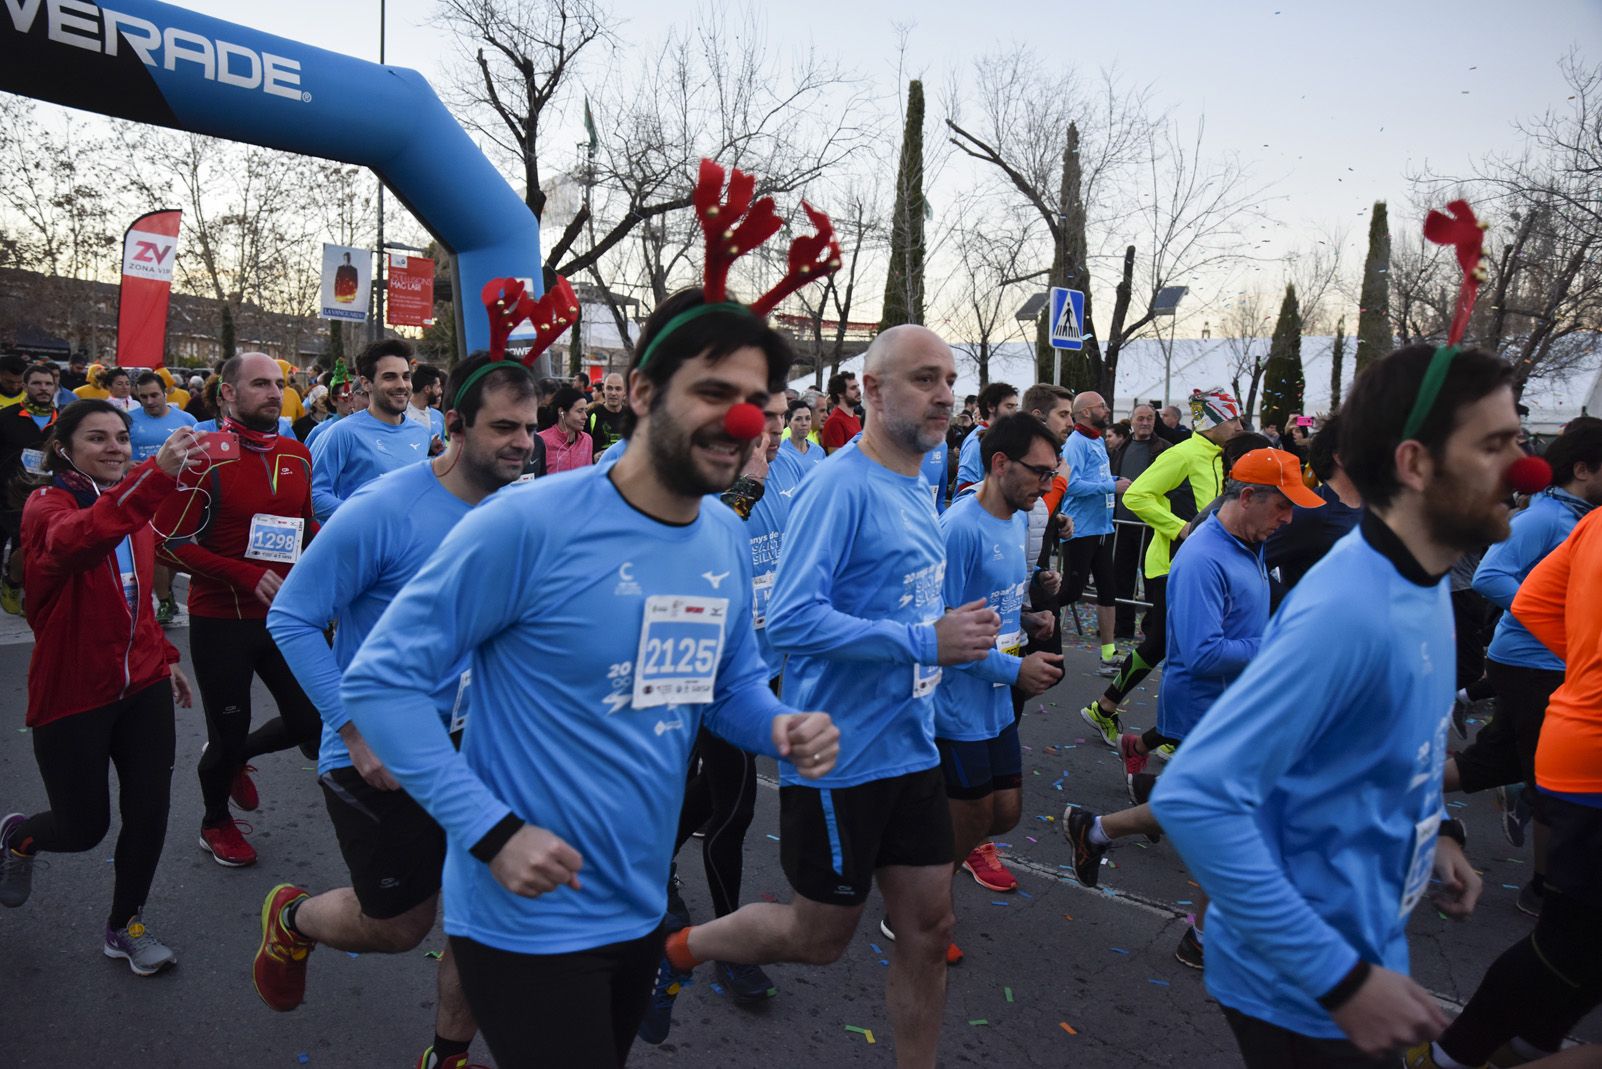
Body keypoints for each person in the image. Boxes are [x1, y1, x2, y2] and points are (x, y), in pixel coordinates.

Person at [337, 290, 839, 1068]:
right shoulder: (527, 523)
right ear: (641, 391)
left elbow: (728, 685)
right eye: (713, 392)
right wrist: (492, 831)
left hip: (634, 906)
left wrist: (778, 725)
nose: (742, 422)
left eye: (755, 401)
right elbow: (380, 684)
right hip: (522, 912)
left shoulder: (725, 537)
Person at [1152, 343, 1520, 1067]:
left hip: (1364, 953)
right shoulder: (1348, 608)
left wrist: (1438, 828)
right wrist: (1341, 979)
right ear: (1415, 464)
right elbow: (1196, 798)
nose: (1524, 468)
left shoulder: (1424, 586)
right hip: (1301, 988)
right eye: (1495, 445)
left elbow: (1391, 743)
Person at [661, 324, 999, 1069]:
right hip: (841, 752)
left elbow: (912, 604)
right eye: (923, 378)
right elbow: (790, 617)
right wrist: (923, 642)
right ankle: (678, 948)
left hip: (910, 743)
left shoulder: (923, 472)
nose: (945, 393)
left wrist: (959, 640)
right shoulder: (839, 487)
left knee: (927, 920)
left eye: (949, 378)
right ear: (872, 391)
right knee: (818, 936)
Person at [256, 355, 539, 1069]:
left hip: (483, 749)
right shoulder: (384, 508)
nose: (521, 442)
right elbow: (292, 618)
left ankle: (448, 1054)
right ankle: (293, 916)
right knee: (400, 924)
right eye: (504, 426)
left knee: (489, 916)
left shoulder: (524, 511)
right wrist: (352, 727)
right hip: (381, 751)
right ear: (451, 424)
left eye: (529, 427)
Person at [1065, 448, 1318, 968]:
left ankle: (1095, 830)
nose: (1290, 519)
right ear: (1247, 497)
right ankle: (1202, 937)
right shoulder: (1205, 558)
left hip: (1238, 703)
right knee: (1231, 823)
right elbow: (1200, 655)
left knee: (1215, 813)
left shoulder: (1249, 542)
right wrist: (1279, 647)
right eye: (1283, 507)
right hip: (1209, 707)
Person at [0, 400, 199, 975]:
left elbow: (133, 597)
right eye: (98, 438)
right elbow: (83, 538)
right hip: (73, 692)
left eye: (121, 436)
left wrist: (163, 656)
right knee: (83, 828)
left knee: (150, 811)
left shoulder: (128, 497)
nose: (115, 447)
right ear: (64, 447)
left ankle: (125, 924)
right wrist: (154, 475)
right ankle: (20, 839)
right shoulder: (47, 506)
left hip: (142, 686)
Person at [1411, 503, 1602, 1069]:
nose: (1521, 469)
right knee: (1569, 938)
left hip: (1570, 721)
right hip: (1583, 741)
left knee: (1578, 940)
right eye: (1496, 444)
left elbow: (1538, 600)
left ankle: (1524, 1041)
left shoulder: (1588, 521)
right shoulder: (1556, 517)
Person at [650, 392, 799, 1023]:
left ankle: (650, 867)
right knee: (734, 811)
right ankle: (732, 946)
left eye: (783, 413)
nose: (773, 426)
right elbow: (692, 556)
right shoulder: (706, 469)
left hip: (769, 666)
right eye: (762, 413)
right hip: (711, 673)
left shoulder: (795, 465)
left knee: (712, 798)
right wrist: (749, 488)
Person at [154, 353, 322, 868]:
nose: (274, 392)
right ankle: (214, 821)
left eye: (279, 384)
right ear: (227, 393)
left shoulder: (297, 453)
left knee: (311, 724)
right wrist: (247, 574)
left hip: (285, 618)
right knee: (226, 732)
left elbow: (306, 528)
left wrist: (341, 564)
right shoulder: (202, 455)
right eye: (259, 384)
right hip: (221, 620)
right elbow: (168, 542)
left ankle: (235, 761)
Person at [1442, 421, 1602, 918]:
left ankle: (1389, 788)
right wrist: (1559, 615)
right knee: (1552, 781)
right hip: (1530, 661)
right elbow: (1490, 575)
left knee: (1497, 762)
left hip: (1547, 659)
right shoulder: (1548, 516)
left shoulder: (1583, 516)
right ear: (1582, 469)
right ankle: (1544, 889)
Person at [934, 414, 1064, 958]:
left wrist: (1028, 618)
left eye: (1053, 474)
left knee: (1003, 814)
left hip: (996, 700)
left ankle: (911, 862)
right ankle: (919, 911)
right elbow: (942, 633)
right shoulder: (958, 528)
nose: (1046, 484)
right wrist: (1016, 670)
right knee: (969, 819)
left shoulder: (1016, 520)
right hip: (956, 705)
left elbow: (996, 608)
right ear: (1000, 464)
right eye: (1039, 472)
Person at [1080, 387, 1245, 747]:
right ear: (1212, 421)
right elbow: (1138, 494)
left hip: (1199, 567)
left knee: (1168, 647)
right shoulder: (1184, 453)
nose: (1238, 425)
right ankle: (1157, 730)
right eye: (1232, 418)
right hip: (1171, 565)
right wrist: (1180, 528)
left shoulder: (1219, 456)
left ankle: (1113, 712)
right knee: (1170, 646)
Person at [309, 340, 430, 521]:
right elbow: (313, 495)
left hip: (407, 546)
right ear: (366, 383)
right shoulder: (342, 433)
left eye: (405, 377)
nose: (402, 385)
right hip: (360, 546)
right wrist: (367, 519)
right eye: (389, 377)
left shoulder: (421, 432)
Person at [1060, 391, 1128, 675]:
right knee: (1071, 590)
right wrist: (1112, 487)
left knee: (1108, 591)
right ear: (1086, 412)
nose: (1108, 409)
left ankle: (1108, 656)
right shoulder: (1075, 443)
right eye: (1102, 406)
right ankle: (1032, 622)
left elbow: (1096, 478)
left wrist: (1114, 480)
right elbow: (1071, 485)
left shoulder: (1097, 439)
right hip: (1080, 529)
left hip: (1102, 527)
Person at [1263, 412, 1362, 596]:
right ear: (1340, 456)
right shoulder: (1311, 513)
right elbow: (1252, 563)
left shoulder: (1375, 508)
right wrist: (1288, 606)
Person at [129, 371, 198, 625]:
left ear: (165, 393)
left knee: (178, 547)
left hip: (180, 491)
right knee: (155, 546)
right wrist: (127, 463)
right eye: (143, 396)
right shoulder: (129, 419)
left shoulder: (186, 418)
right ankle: (165, 599)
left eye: (154, 395)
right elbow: (119, 450)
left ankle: (165, 590)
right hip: (146, 490)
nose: (149, 401)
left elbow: (198, 450)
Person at [0, 362, 61, 615]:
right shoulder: (7, 417)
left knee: (27, 547)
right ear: (25, 387)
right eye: (37, 383)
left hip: (45, 495)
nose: (43, 388)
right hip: (7, 494)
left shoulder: (65, 420)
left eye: (48, 383)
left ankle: (14, 584)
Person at [1109, 404, 1167, 637]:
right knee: (1121, 576)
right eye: (1141, 418)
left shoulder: (1164, 449)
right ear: (1131, 421)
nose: (1145, 422)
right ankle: (1123, 626)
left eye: (1150, 418)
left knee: (1151, 578)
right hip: (1121, 522)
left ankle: (1152, 627)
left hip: (1151, 524)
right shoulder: (1121, 447)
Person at [954, 381, 1019, 493]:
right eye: (1009, 406)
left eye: (1015, 407)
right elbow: (966, 488)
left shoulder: (1004, 438)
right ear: (991, 407)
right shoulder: (976, 442)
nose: (1014, 412)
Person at [537, 385, 592, 473]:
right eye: (579, 411)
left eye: (585, 410)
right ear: (561, 411)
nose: (585, 416)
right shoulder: (541, 441)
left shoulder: (587, 440)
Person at [587, 372, 629, 458]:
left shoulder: (632, 416)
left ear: (624, 392)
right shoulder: (591, 415)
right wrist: (593, 457)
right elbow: (582, 448)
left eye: (618, 389)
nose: (613, 393)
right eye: (609, 388)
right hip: (599, 469)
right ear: (603, 389)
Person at [407, 363, 448, 448]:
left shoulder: (438, 416)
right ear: (427, 389)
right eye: (438, 387)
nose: (441, 391)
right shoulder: (402, 415)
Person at [820, 370, 861, 453]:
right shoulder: (834, 422)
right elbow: (836, 460)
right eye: (853, 388)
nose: (859, 391)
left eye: (858, 386)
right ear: (840, 394)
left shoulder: (854, 417)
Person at [780, 399, 823, 471]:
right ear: (788, 422)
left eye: (808, 418)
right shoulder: (780, 452)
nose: (804, 423)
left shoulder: (819, 451)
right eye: (798, 419)